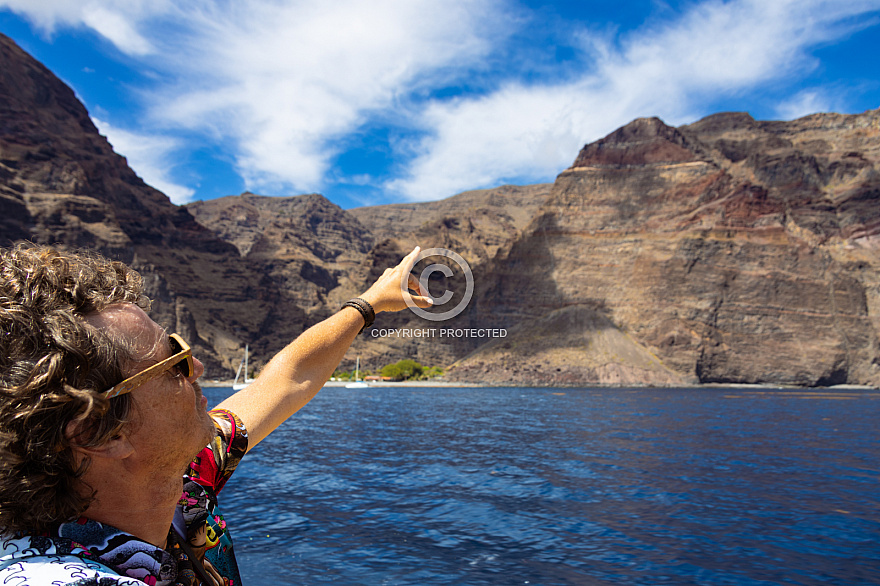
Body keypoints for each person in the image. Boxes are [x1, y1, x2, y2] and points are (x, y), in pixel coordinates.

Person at [0, 242, 432, 585]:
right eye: (172, 361)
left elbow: (287, 379)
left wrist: (369, 303)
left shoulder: (186, 477)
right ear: (99, 432)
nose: (198, 367)